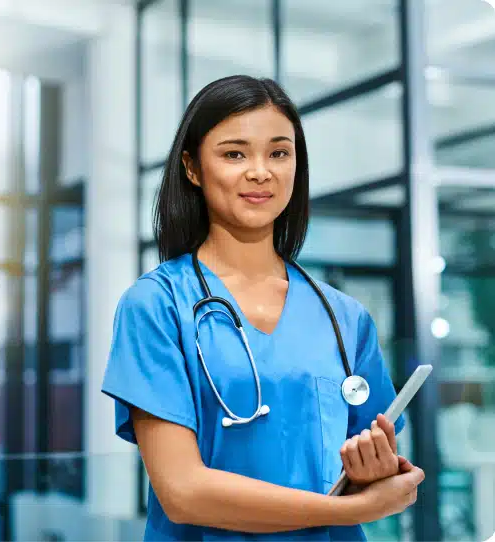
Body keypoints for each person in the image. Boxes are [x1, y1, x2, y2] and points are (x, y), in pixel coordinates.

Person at [101, 75, 425, 541]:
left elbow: (363, 467)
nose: (261, 171)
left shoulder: (345, 318)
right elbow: (183, 492)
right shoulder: (157, 305)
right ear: (192, 168)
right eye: (235, 153)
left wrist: (376, 474)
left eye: (279, 152)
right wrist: (353, 509)